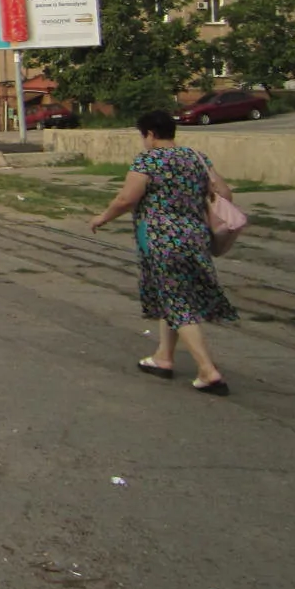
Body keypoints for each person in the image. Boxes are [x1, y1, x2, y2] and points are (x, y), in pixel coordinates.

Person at [89, 109, 238, 395]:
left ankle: (207, 371)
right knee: (173, 295)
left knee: (178, 302)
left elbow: (127, 198)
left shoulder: (148, 160)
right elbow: (225, 193)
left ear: (150, 134)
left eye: (143, 135)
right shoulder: (196, 157)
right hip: (196, 237)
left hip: (161, 240)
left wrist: (102, 218)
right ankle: (163, 357)